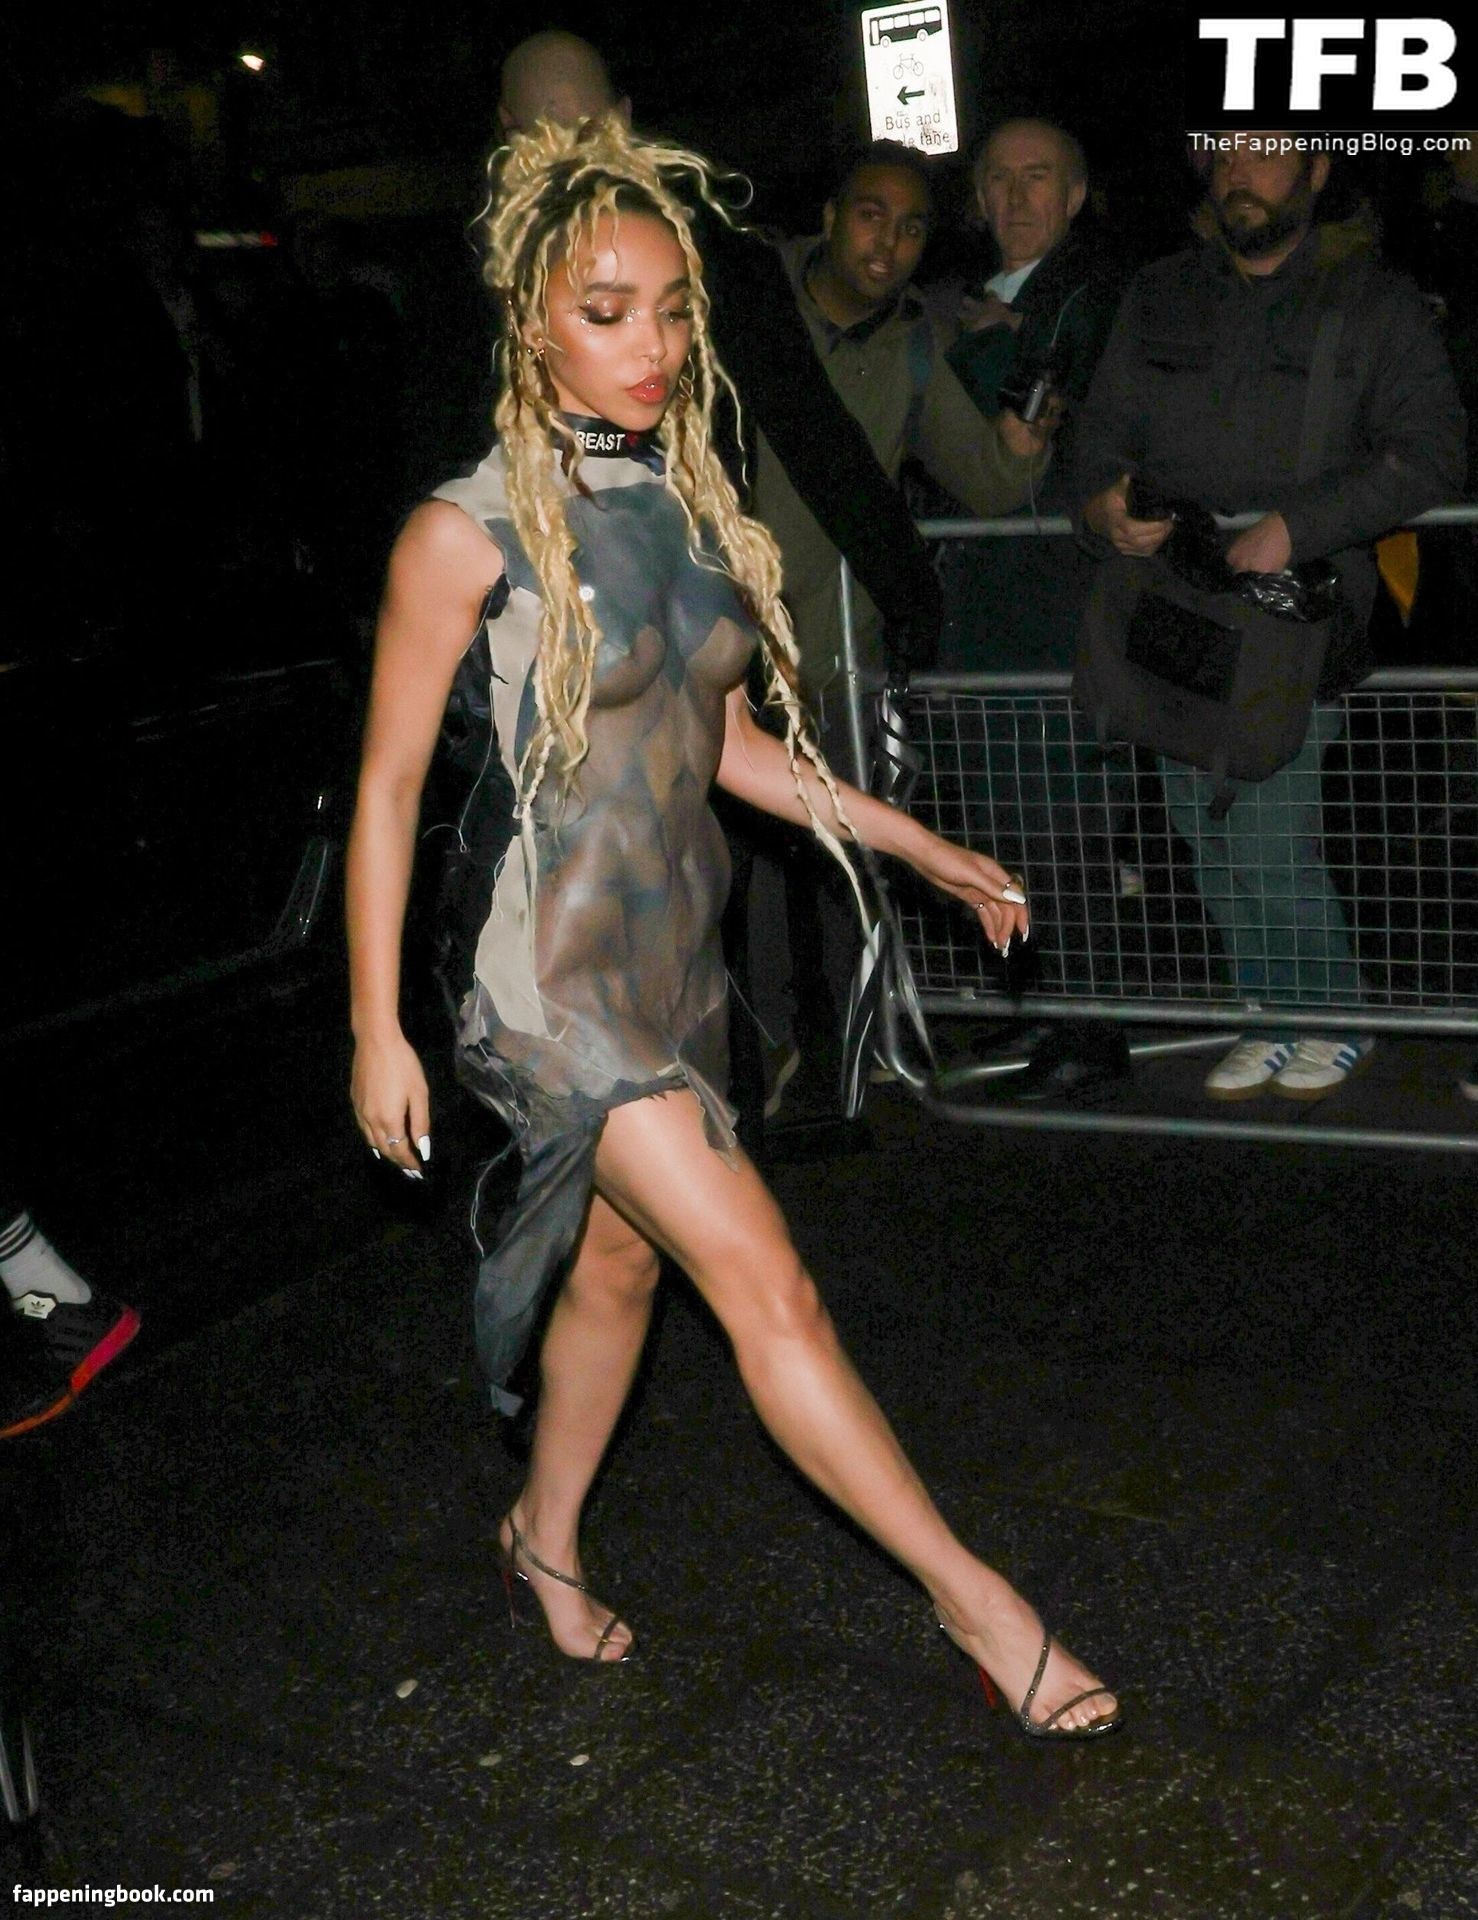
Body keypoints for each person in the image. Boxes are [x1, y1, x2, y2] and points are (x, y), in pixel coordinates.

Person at [345, 115, 1120, 1738]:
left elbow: (726, 751)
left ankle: (542, 1537)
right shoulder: (462, 532)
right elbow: (391, 783)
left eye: (671, 310)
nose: (650, 346)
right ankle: (980, 1608)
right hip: (543, 982)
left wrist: (919, 844)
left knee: (622, 1269)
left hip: (668, 960)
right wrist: (374, 1027)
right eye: (604, 311)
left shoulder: (683, 504)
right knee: (769, 1286)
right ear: (531, 323)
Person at [1075, 133, 1465, 1101]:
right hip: (1173, 604)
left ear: (1318, 171)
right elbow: (1098, 437)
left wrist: (1296, 527)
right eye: (1223, 153)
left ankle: (1333, 1014)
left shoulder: (1373, 301)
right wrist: (1103, 503)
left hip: (1297, 617)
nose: (1237, 170)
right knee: (1198, 827)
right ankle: (1270, 1010)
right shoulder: (1159, 292)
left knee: (1264, 834)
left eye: (1265, 151)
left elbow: (1430, 452)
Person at [938, 119, 1134, 1105]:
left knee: (1061, 818)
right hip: (983, 604)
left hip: (1054, 599)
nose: (1016, 198)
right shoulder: (974, 301)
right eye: (999, 180)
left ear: (1076, 193)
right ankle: (1037, 996)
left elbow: (1036, 423)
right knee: (999, 813)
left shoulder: (1093, 296)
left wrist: (980, 348)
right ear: (977, 198)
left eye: (1038, 177)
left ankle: (1087, 1023)